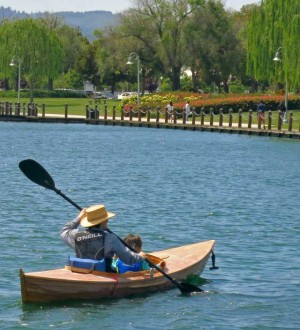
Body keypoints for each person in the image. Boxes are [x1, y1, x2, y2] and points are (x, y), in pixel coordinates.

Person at [60, 204, 145, 272]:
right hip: (103, 275)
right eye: (107, 220)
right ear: (103, 222)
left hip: (81, 272)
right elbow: (129, 259)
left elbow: (64, 231)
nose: (107, 222)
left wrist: (79, 217)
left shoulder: (76, 235)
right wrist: (140, 256)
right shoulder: (110, 238)